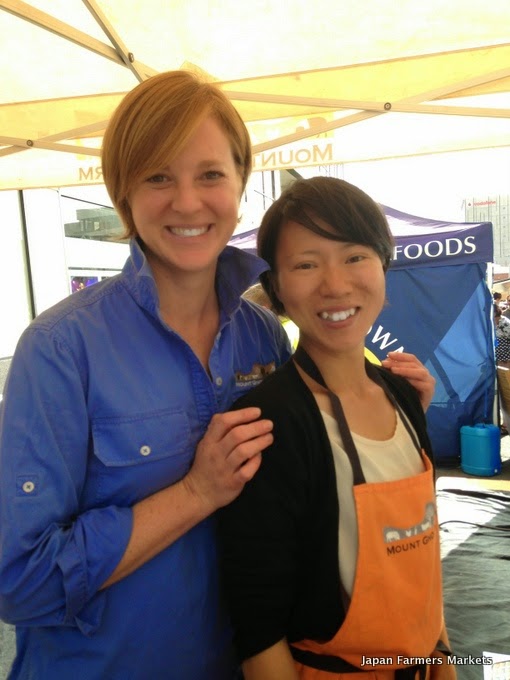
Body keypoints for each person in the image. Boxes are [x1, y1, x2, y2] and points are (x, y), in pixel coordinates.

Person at [0, 70, 293, 680]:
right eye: (158, 176)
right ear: (122, 193)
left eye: (210, 174)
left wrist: (387, 402)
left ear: (240, 181)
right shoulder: (60, 349)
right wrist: (195, 493)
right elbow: (21, 581)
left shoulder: (262, 336)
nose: (186, 202)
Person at [218, 176, 453, 680]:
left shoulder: (405, 396)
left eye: (354, 256)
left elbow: (425, 551)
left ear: (383, 266)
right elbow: (258, 628)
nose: (336, 284)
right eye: (306, 264)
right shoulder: (273, 422)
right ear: (277, 289)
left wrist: (443, 656)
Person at [494, 303, 510, 434]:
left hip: (506, 359)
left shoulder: (505, 322)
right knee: (501, 392)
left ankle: (506, 424)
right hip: (498, 358)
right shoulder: (492, 322)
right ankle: (504, 423)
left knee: (506, 391)